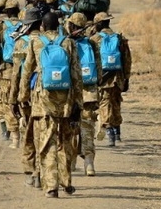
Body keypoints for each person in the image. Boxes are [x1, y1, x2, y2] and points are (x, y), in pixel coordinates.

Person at [19, 12, 83, 198]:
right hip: (66, 101)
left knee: (47, 143)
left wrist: (22, 97)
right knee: (65, 141)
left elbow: (27, 70)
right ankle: (67, 182)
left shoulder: (35, 42)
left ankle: (51, 186)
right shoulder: (69, 43)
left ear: (42, 27)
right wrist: (78, 102)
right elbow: (76, 75)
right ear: (59, 26)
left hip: (43, 101)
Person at [9, 8, 43, 187]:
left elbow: (17, 74)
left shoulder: (21, 43)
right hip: (46, 96)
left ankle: (31, 172)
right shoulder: (48, 41)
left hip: (28, 96)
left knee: (29, 133)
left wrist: (14, 99)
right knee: (43, 133)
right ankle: (41, 171)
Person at [65, 12, 101, 176]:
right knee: (88, 128)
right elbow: (99, 72)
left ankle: (71, 163)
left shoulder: (66, 44)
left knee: (71, 127)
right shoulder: (92, 44)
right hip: (89, 92)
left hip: (71, 93)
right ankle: (89, 163)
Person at [90, 12, 131, 147]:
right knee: (116, 102)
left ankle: (110, 134)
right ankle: (117, 132)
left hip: (103, 77)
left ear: (99, 24)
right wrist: (126, 78)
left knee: (104, 103)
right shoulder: (119, 38)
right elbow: (127, 60)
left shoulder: (94, 39)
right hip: (118, 76)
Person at [0, 0, 21, 148]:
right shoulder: (26, 26)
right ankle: (23, 123)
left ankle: (13, 137)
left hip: (7, 71)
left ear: (7, 13)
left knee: (6, 102)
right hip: (23, 68)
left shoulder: (2, 27)